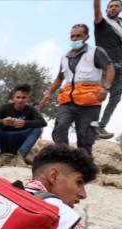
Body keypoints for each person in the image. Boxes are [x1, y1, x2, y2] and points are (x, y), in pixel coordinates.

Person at [39, 23, 114, 156]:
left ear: (86, 37)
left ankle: (84, 170)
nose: (74, 39)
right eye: (72, 36)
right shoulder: (64, 57)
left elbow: (110, 68)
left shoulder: (95, 52)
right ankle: (65, 159)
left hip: (90, 102)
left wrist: (106, 88)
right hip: (67, 101)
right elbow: (60, 77)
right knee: (60, 128)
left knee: (85, 137)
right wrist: (48, 94)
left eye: (78, 36)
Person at [0, 84, 46, 165]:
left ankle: (20, 157)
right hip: (3, 140)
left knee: (37, 129)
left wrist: (25, 123)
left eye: (23, 97)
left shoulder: (31, 109)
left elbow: (43, 123)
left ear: (28, 99)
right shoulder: (4, 107)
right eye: (18, 97)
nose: (20, 100)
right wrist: (1, 122)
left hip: (18, 142)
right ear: (13, 98)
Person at [94, 0, 122, 139]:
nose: (113, 8)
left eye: (116, 6)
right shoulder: (101, 22)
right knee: (99, 95)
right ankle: (91, 125)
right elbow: (96, 11)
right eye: (111, 6)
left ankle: (101, 127)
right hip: (106, 64)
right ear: (106, 9)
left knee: (116, 98)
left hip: (121, 64)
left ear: (121, 8)